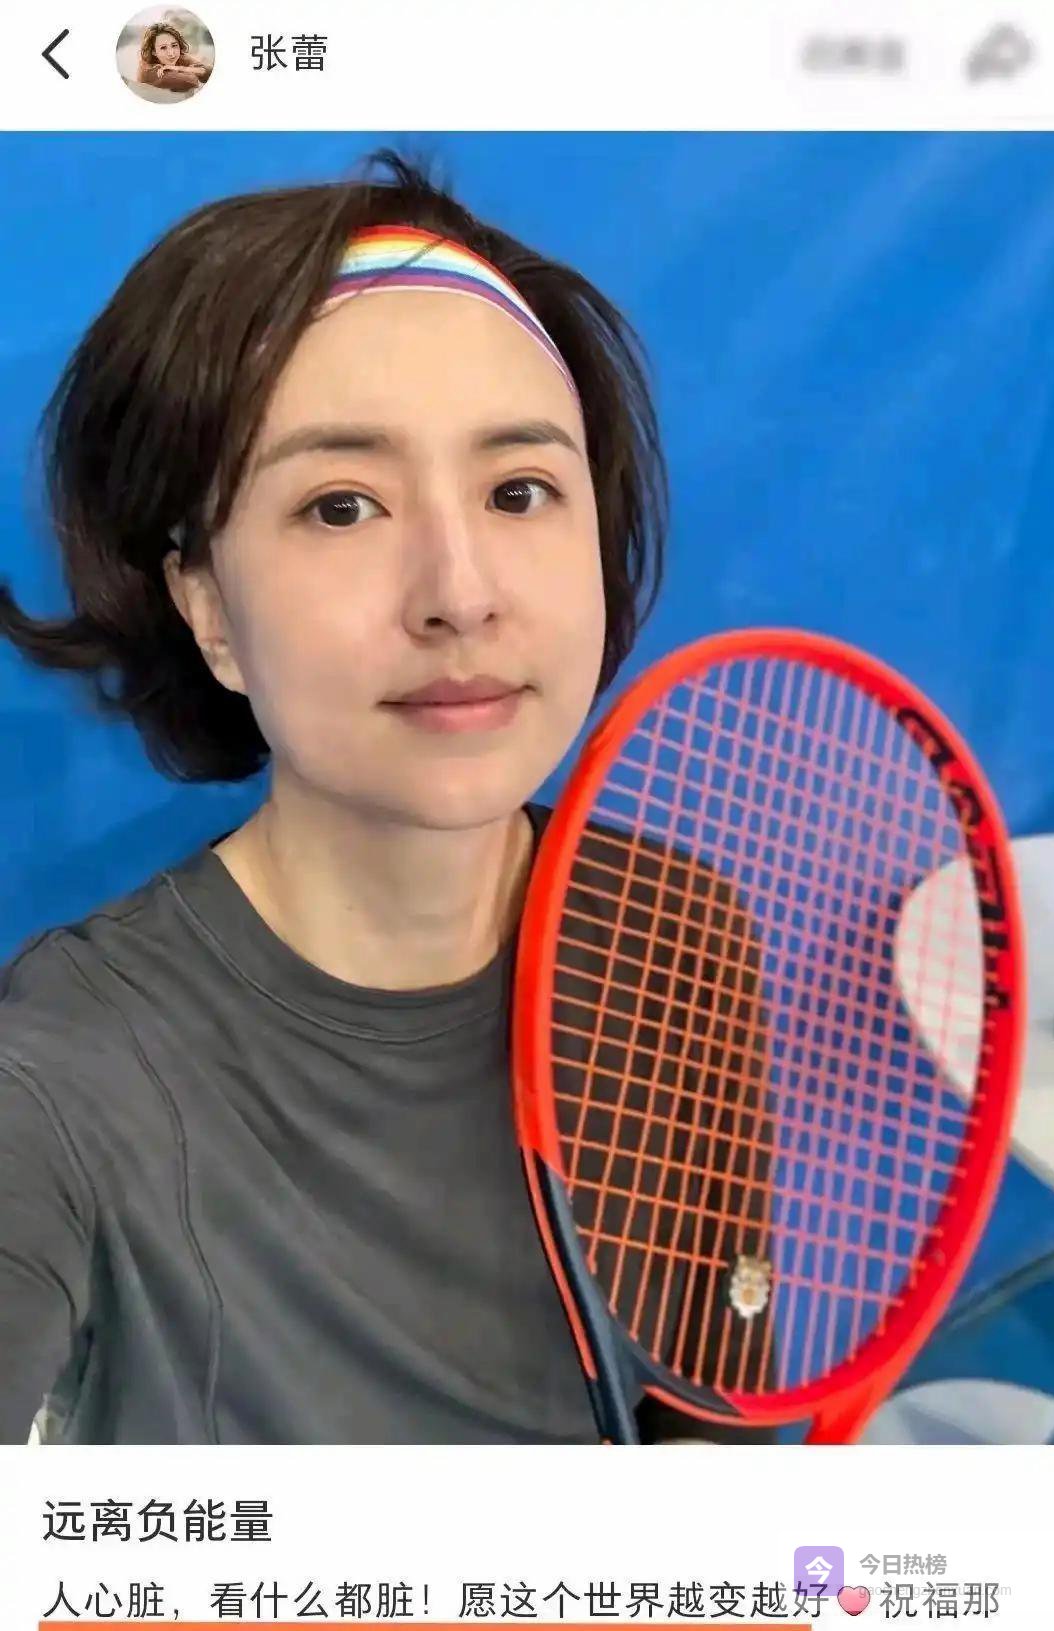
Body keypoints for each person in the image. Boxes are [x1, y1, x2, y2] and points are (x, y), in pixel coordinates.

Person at [0, 149, 771, 1444]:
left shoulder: (673, 928)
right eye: (341, 505)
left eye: (518, 490)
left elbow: (702, 1416)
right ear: (208, 607)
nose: (459, 592)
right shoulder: (64, 1073)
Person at [136, 21, 211, 94]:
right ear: (154, 52)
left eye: (174, 45)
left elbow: (209, 72)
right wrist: (193, 70)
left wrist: (177, 68)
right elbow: (192, 81)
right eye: (163, 48)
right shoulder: (149, 70)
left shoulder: (180, 57)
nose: (171, 53)